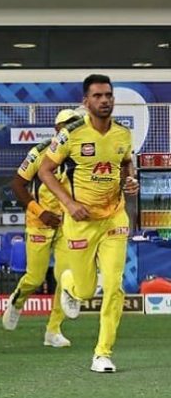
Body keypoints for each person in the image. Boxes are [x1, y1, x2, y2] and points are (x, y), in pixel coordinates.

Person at [38, 74, 138, 373]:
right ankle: (70, 286)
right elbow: (45, 170)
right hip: (80, 221)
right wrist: (69, 204)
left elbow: (126, 163)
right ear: (86, 101)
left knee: (114, 285)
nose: (104, 100)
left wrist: (130, 181)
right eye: (97, 96)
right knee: (85, 290)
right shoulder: (71, 134)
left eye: (108, 95)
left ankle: (102, 353)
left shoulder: (123, 133)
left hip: (114, 218)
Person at [2, 109, 81, 347]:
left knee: (65, 277)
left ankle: (53, 330)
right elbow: (17, 185)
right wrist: (41, 213)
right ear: (57, 129)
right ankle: (17, 301)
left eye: (76, 124)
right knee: (35, 278)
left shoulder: (83, 154)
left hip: (68, 224)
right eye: (68, 125)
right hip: (40, 223)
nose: (73, 129)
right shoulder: (40, 152)